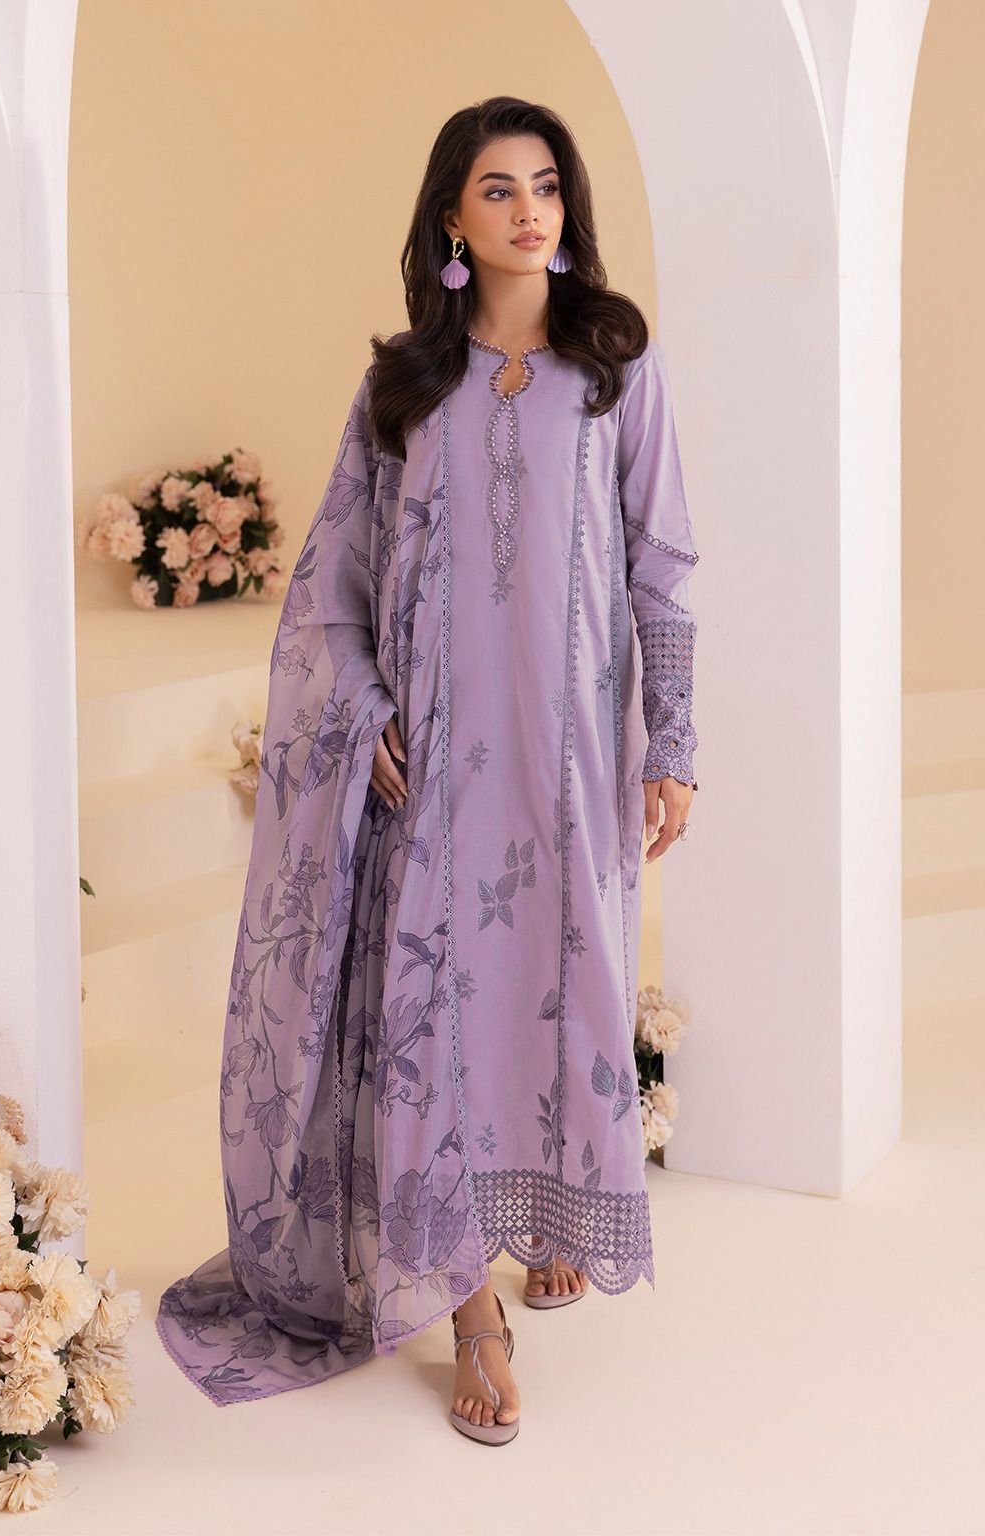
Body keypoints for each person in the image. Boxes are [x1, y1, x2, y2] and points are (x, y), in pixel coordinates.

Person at [156, 95, 699, 1447]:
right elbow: (329, 590)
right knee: (440, 1010)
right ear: (452, 216)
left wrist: (675, 744)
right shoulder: (403, 386)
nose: (529, 211)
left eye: (546, 187)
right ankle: (469, 1305)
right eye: (498, 189)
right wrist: (363, 711)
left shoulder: (616, 369)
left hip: (570, 767)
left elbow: (660, 567)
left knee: (561, 996)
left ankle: (548, 1212)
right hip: (439, 772)